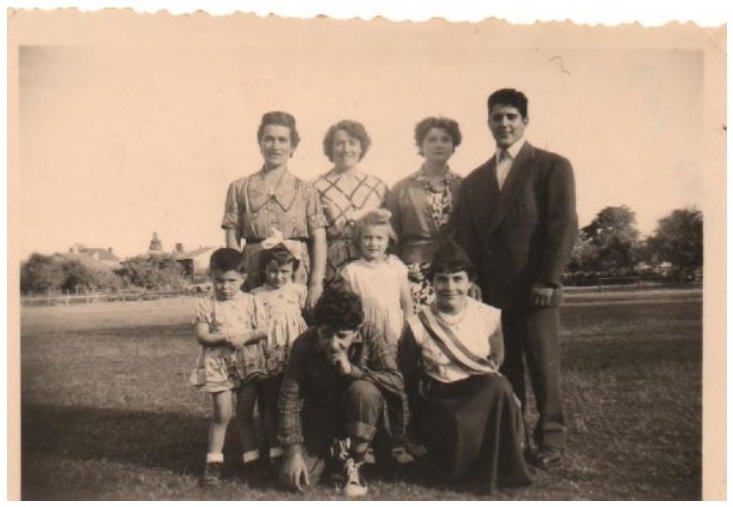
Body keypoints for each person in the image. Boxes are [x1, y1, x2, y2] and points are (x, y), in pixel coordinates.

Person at [453, 88, 578, 468]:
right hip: (492, 292)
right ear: (488, 123)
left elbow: (562, 225)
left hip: (536, 289)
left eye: (511, 116)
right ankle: (515, 437)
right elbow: (466, 235)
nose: (504, 124)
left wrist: (549, 280)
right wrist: (471, 280)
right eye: (497, 117)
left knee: (543, 366)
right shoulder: (475, 179)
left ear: (525, 121)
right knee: (506, 368)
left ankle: (552, 440)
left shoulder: (551, 166)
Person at [397, 240, 532, 494]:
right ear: (431, 282)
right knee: (457, 419)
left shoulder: (489, 316)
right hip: (438, 396)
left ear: (470, 282)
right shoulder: (417, 323)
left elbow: (495, 361)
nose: (450, 287)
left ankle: (504, 468)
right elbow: (407, 372)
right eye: (442, 279)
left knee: (499, 386)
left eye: (458, 279)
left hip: (477, 391)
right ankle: (454, 468)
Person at [277, 287, 409, 497]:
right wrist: (292, 451)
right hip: (322, 414)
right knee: (299, 479)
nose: (334, 343)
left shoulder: (369, 333)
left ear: (355, 332)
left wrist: (353, 371)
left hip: (361, 413)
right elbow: (289, 398)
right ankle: (335, 452)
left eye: (342, 336)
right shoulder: (303, 344)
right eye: (326, 335)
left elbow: (396, 381)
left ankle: (356, 461)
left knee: (363, 390)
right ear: (316, 329)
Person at [221, 111, 327, 311]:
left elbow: (319, 239)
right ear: (259, 143)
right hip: (252, 272)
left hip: (295, 272)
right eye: (269, 139)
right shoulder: (239, 187)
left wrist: (315, 284)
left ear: (293, 146)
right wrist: (236, 280)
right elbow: (232, 238)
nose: (275, 146)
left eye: (282, 140)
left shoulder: (306, 190)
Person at [188, 248, 269, 485]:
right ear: (211, 278)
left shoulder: (252, 302)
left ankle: (251, 459)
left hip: (247, 362)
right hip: (218, 365)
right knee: (222, 414)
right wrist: (223, 338)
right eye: (219, 281)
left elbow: (262, 330)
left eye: (231, 281)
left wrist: (245, 336)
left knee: (244, 413)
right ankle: (214, 462)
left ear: (244, 278)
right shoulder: (206, 304)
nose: (225, 287)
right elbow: (202, 336)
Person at [385, 116, 463, 311]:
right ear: (421, 145)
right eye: (432, 139)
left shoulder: (465, 186)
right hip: (413, 275)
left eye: (445, 139)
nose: (439, 145)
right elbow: (390, 239)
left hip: (452, 276)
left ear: (454, 145)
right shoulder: (402, 188)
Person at [250, 231, 309, 469]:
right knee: (270, 398)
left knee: (295, 396)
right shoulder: (256, 295)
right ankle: (273, 446)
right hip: (270, 351)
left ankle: (296, 441)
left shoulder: (298, 291)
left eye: (285, 272)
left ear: (292, 271)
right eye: (273, 271)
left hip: (294, 349)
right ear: (263, 270)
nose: (279, 277)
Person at [312, 120, 389, 287]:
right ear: (330, 148)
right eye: (339, 143)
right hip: (332, 265)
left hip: (371, 265)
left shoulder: (378, 187)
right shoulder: (316, 187)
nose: (346, 149)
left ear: (361, 147)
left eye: (352, 143)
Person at [338, 208, 413, 347]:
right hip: (364, 332)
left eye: (379, 238)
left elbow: (407, 303)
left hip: (393, 330)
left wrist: (407, 332)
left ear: (388, 240)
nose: (373, 243)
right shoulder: (352, 271)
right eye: (367, 237)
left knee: (393, 362)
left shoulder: (396, 267)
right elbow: (348, 308)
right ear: (359, 240)